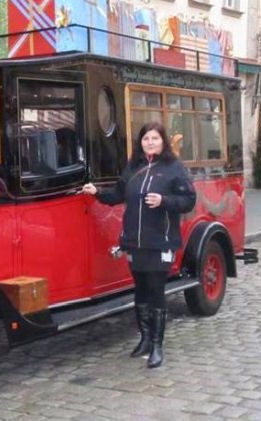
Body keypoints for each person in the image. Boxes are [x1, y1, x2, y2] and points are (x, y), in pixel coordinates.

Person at [83, 121, 196, 368]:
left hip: (160, 242)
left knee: (156, 291)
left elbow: (188, 200)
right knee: (141, 290)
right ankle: (144, 339)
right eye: (146, 139)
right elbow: (117, 195)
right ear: (140, 142)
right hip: (135, 241)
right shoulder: (133, 166)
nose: (150, 142)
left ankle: (157, 345)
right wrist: (96, 192)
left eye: (155, 138)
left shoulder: (174, 168)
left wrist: (164, 200)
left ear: (163, 141)